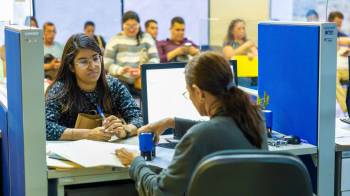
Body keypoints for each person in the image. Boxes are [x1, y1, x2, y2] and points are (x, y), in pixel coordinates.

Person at [116, 52, 268, 196]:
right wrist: (170, 122)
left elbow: (159, 192)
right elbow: (217, 130)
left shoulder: (199, 137)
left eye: (188, 93)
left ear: (199, 93)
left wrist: (136, 162)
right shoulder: (255, 119)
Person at [45, 33, 143, 141]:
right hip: (69, 155)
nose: (93, 66)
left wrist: (124, 130)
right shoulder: (60, 90)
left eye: (96, 59)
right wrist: (87, 134)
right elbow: (45, 127)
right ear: (71, 66)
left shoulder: (113, 85)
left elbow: (139, 118)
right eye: (83, 61)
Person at [104, 11, 159, 95]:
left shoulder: (146, 38)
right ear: (123, 25)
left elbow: (155, 58)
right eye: (128, 25)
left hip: (141, 78)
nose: (131, 28)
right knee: (122, 96)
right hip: (120, 78)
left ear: (139, 25)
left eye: (134, 25)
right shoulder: (115, 39)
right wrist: (120, 70)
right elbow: (107, 62)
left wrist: (143, 70)